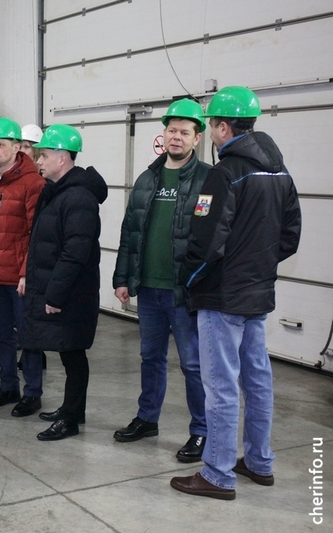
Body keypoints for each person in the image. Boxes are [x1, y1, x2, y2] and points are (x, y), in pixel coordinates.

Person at [171, 86, 301, 500]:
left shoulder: (224, 173)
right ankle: (259, 461)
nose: (211, 133)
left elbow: (206, 242)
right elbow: (290, 236)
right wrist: (257, 268)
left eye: (211, 126)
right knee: (257, 380)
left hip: (222, 297)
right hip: (256, 294)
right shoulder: (279, 172)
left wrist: (190, 280)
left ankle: (218, 473)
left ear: (224, 127)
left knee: (221, 386)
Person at [111, 99, 211, 462]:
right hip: (149, 288)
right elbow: (130, 233)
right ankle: (147, 418)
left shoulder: (207, 180)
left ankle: (202, 431)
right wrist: (123, 278)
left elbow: (214, 239)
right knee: (150, 357)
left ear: (197, 138)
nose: (176, 137)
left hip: (184, 292)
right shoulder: (147, 178)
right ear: (164, 134)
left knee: (193, 365)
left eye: (185, 132)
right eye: (171, 130)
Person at [22, 125, 107, 441]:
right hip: (62, 289)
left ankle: (70, 418)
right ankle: (73, 410)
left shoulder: (79, 198)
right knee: (69, 352)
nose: (38, 161)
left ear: (62, 157)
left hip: (72, 293)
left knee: (73, 353)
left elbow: (75, 251)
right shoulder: (55, 191)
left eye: (43, 155)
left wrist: (55, 294)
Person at [0, 117, 46, 417]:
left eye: (0, 145)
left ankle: (32, 392)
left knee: (28, 337)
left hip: (19, 277)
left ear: (17, 147)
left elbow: (36, 233)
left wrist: (26, 273)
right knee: (1, 334)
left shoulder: (33, 184)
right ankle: (8, 386)